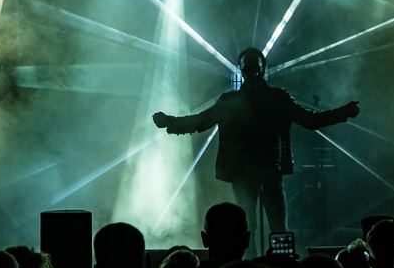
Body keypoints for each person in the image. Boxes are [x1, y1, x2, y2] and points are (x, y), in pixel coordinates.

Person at [153, 47, 360, 237]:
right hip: (265, 169)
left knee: (250, 228)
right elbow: (310, 120)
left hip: (253, 170)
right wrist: (343, 112)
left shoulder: (243, 100)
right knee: (272, 227)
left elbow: (202, 120)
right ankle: (278, 261)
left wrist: (171, 123)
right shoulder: (273, 98)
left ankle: (252, 259)